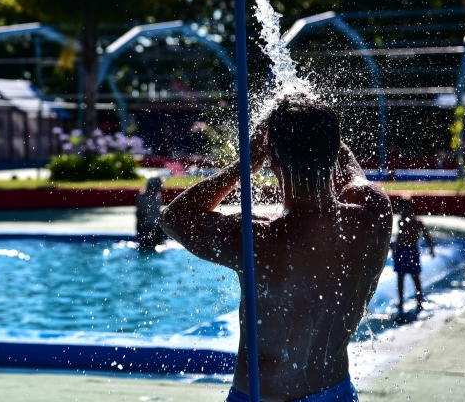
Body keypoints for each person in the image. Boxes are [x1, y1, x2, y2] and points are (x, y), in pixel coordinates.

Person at [160, 94, 392, 402]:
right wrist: (320, 130)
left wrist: (246, 162)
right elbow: (353, 176)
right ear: (334, 151)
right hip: (334, 392)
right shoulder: (372, 216)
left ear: (272, 160)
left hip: (259, 396)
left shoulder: (257, 237)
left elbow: (173, 217)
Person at [392, 198, 435, 312]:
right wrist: (431, 248)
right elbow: (426, 235)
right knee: (409, 277)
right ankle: (414, 301)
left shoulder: (406, 221)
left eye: (400, 208)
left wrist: (395, 248)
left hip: (407, 250)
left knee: (409, 277)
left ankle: (413, 301)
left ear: (407, 209)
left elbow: (401, 238)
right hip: (410, 250)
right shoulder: (416, 221)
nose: (398, 211)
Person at [136, 177, 166, 249]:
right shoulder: (143, 196)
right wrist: (145, 229)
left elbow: (157, 211)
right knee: (145, 248)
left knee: (160, 246)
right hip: (144, 227)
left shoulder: (158, 195)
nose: (160, 187)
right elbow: (139, 213)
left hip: (156, 226)